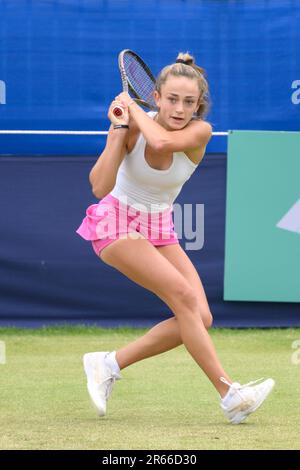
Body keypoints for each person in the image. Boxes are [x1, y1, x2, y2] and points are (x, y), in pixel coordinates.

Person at [76, 52, 275, 424]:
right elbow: (100, 187)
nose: (180, 108)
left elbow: (165, 144)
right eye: (172, 99)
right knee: (184, 298)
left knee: (200, 316)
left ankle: (108, 363)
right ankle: (230, 394)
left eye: (189, 101)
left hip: (159, 227)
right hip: (115, 223)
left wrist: (133, 113)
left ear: (198, 105)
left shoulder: (201, 132)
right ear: (155, 97)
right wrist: (119, 130)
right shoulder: (133, 126)